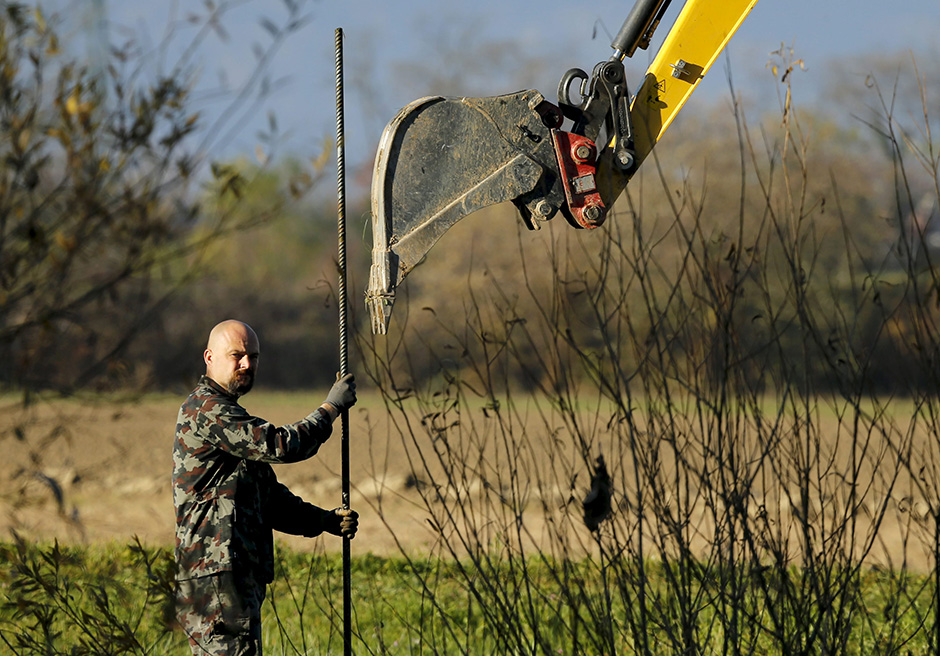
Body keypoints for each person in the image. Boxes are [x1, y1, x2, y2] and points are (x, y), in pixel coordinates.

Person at [173, 319, 358, 655]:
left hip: (232, 576)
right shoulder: (207, 409)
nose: (247, 364)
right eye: (237, 355)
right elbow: (280, 445)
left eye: (254, 356)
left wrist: (324, 521)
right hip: (215, 577)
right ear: (209, 357)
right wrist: (330, 409)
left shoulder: (230, 417)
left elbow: (268, 498)